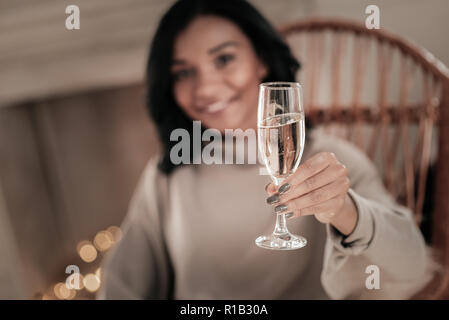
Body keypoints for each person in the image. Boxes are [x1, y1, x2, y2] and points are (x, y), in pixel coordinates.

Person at [97, 0, 438, 299]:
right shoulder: (168, 174)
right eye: (184, 72)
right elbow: (121, 286)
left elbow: (412, 263)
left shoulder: (330, 163)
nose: (206, 87)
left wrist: (344, 210)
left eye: (224, 59)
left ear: (261, 60)